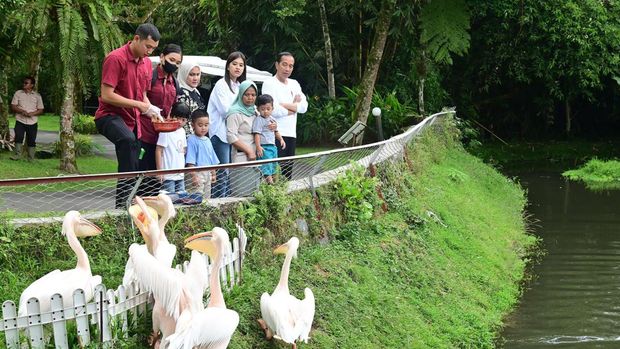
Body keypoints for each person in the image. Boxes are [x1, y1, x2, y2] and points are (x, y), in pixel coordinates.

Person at [94, 23, 162, 209]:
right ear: (136, 38)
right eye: (147, 46)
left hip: (133, 121)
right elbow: (107, 94)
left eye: (153, 48)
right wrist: (140, 105)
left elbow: (143, 95)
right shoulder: (115, 58)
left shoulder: (147, 63)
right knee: (127, 140)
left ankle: (125, 204)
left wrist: (150, 109)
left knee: (134, 159)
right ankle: (122, 204)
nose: (149, 51)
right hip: (109, 116)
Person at [139, 43, 183, 196]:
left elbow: (172, 108)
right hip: (145, 133)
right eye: (172, 60)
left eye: (178, 63)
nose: (174, 64)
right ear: (162, 57)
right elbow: (140, 98)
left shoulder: (175, 83)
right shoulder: (150, 76)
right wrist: (151, 112)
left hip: (164, 137)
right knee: (142, 174)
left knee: (159, 182)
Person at [260, 52, 308, 180]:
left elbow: (304, 107)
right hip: (274, 134)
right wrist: (293, 108)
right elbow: (271, 109)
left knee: (287, 174)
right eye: (284, 64)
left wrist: (285, 105)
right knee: (273, 172)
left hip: (291, 134)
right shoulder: (269, 83)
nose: (287, 69)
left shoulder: (294, 83)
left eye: (291, 66)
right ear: (277, 65)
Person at [207, 51, 247, 197]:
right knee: (222, 172)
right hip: (220, 135)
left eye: (241, 65)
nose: (238, 67)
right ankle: (217, 204)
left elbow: (250, 107)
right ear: (228, 66)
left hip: (234, 135)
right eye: (234, 64)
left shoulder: (240, 86)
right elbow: (226, 111)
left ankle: (227, 203)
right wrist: (243, 112)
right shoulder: (221, 84)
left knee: (230, 172)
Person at [156, 101, 190, 194]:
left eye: (183, 120)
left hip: (180, 174)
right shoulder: (165, 131)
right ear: (171, 115)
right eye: (177, 118)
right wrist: (159, 171)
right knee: (169, 199)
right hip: (168, 174)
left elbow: (183, 149)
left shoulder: (182, 131)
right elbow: (159, 150)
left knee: (181, 200)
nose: (180, 122)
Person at [186, 109, 219, 199]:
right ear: (193, 125)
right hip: (197, 173)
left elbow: (211, 159)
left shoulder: (208, 140)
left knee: (207, 198)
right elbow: (190, 162)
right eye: (200, 125)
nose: (203, 128)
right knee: (196, 198)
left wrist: (213, 174)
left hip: (208, 173)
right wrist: (193, 176)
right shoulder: (191, 140)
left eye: (206, 125)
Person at [253, 94, 286, 184]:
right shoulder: (258, 120)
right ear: (258, 109)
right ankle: (271, 185)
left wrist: (281, 139)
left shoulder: (272, 120)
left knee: (274, 166)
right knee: (266, 166)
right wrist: (258, 146)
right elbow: (257, 134)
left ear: (272, 108)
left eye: (268, 109)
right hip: (265, 148)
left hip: (273, 147)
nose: (265, 111)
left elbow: (276, 131)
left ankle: (276, 184)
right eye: (262, 109)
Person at [10, 76, 44, 161]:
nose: (24, 84)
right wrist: (22, 111)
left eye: (26, 83)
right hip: (20, 120)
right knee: (18, 136)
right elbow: (13, 106)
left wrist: (32, 113)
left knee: (31, 140)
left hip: (32, 122)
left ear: (31, 85)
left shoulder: (37, 96)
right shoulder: (18, 93)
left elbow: (41, 109)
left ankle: (31, 158)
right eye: (24, 82)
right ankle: (17, 155)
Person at [226, 80, 259, 163]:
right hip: (242, 157)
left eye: (253, 95)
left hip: (257, 155)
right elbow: (231, 136)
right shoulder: (234, 112)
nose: (250, 98)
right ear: (241, 94)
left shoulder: (255, 111)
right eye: (247, 95)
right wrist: (249, 151)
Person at [177, 61, 206, 135]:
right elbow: (183, 121)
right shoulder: (182, 94)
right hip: (187, 139)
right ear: (184, 74)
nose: (195, 78)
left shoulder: (195, 91)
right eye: (191, 75)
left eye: (198, 74)